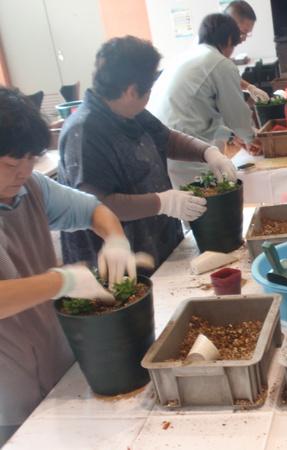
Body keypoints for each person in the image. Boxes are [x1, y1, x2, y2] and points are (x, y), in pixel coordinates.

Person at [0, 87, 138, 445]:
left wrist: (115, 240)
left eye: (31, 159)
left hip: (54, 357)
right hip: (7, 390)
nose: (23, 172)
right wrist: (62, 281)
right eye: (11, 164)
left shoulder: (32, 187)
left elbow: (93, 209)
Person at [59, 36, 236, 271]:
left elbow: (167, 138)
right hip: (116, 261)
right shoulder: (84, 132)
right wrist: (163, 202)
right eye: (149, 90)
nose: (149, 95)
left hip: (156, 241)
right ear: (131, 91)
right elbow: (99, 205)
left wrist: (207, 152)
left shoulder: (128, 110)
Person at [148, 13, 261, 188]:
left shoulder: (188, 56)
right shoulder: (219, 63)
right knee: (205, 198)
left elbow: (202, 113)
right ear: (228, 39)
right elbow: (237, 115)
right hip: (184, 148)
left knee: (187, 198)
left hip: (159, 145)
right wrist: (252, 138)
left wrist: (232, 135)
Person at [224, 0, 270, 102]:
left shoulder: (223, 47)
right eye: (243, 32)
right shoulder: (212, 51)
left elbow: (230, 76)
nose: (244, 39)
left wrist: (250, 88)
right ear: (228, 25)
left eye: (247, 34)